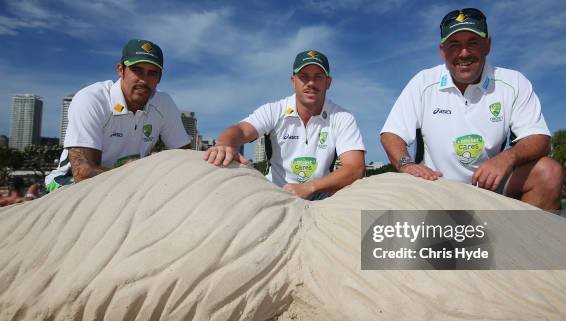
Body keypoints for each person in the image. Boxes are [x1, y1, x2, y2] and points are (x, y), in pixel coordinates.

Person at [380, 8, 563, 210]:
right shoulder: (423, 82)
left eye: (473, 43)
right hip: (434, 186)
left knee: (549, 173)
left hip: (489, 188)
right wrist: (406, 164)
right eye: (454, 45)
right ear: (443, 51)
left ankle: (527, 241)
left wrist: (507, 158)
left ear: (487, 45)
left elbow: (539, 138)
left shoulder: (514, 82)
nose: (464, 53)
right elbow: (391, 134)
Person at [204, 50, 365, 200]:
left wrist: (309, 187)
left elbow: (355, 168)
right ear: (293, 81)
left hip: (320, 196)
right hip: (276, 194)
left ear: (328, 82)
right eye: (303, 76)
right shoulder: (274, 110)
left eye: (318, 77)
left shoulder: (343, 117)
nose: (310, 83)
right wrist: (225, 144)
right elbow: (240, 129)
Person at [45, 39, 191, 192]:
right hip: (67, 182)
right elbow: (83, 173)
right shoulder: (93, 98)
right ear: (121, 70)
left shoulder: (163, 103)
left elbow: (185, 157)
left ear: (159, 78)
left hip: (130, 182)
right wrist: (136, 174)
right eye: (137, 70)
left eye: (152, 73)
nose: (143, 80)